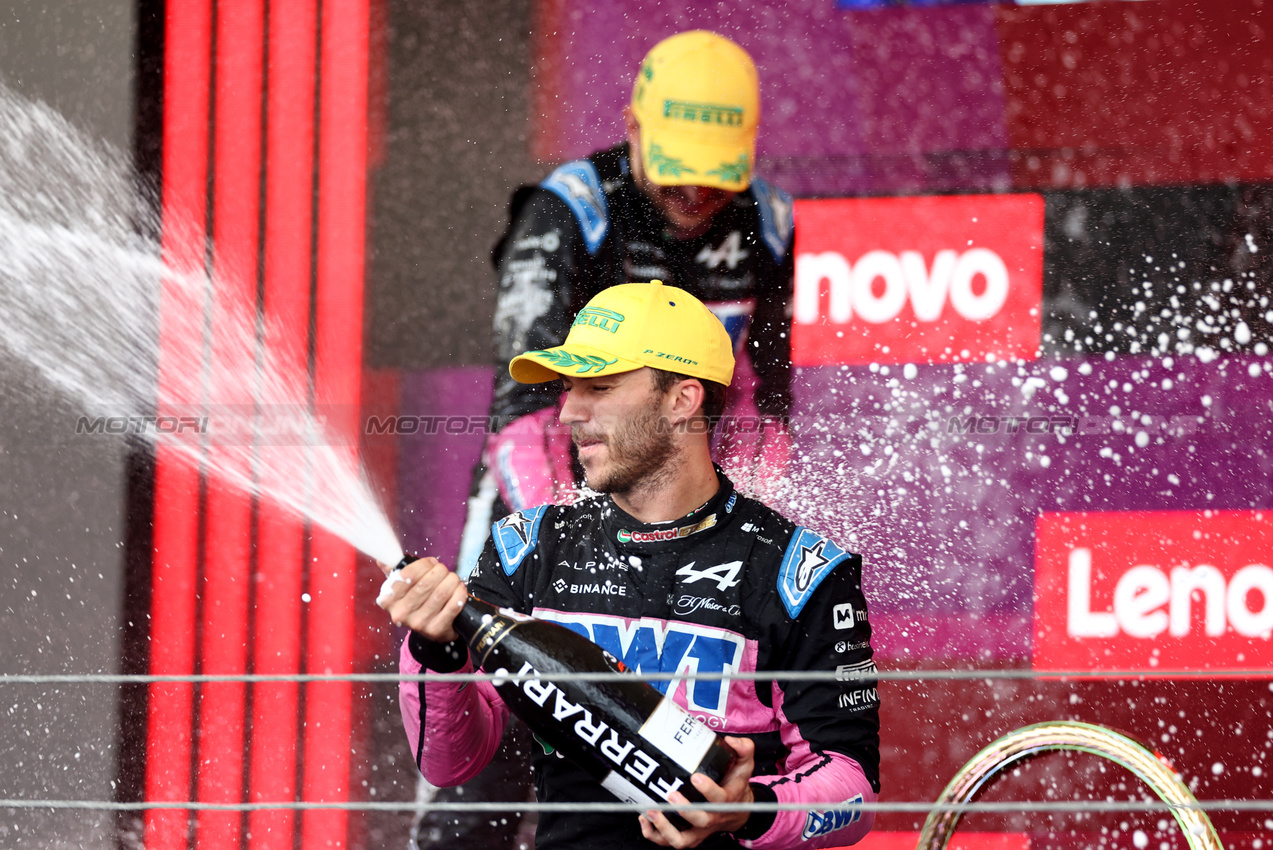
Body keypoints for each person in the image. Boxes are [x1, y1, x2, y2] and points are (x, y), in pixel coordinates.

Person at [382, 281, 880, 850]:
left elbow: (853, 793)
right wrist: (435, 650)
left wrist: (748, 809)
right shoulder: (528, 547)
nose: (569, 411)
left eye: (599, 386)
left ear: (681, 400)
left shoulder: (801, 572)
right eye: (570, 388)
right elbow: (449, 763)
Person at [457, 29, 795, 577]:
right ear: (632, 127)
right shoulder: (567, 210)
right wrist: (569, 543)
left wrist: (744, 530)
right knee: (477, 653)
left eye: (712, 175)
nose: (694, 193)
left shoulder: (769, 220)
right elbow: (525, 410)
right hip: (549, 496)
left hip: (687, 511)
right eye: (676, 170)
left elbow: (763, 402)